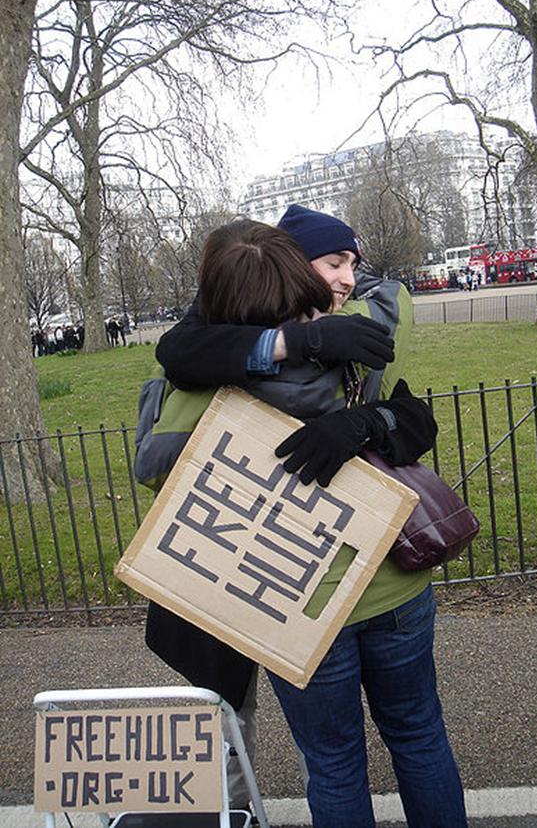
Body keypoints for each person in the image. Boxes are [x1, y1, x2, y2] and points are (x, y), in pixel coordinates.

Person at [146, 206, 467, 827]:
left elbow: (162, 476)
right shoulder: (353, 347)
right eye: (334, 262)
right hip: (389, 580)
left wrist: (358, 424)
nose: (346, 277)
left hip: (289, 601)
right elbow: (414, 418)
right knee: (420, 735)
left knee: (334, 763)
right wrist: (367, 416)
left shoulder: (199, 380)